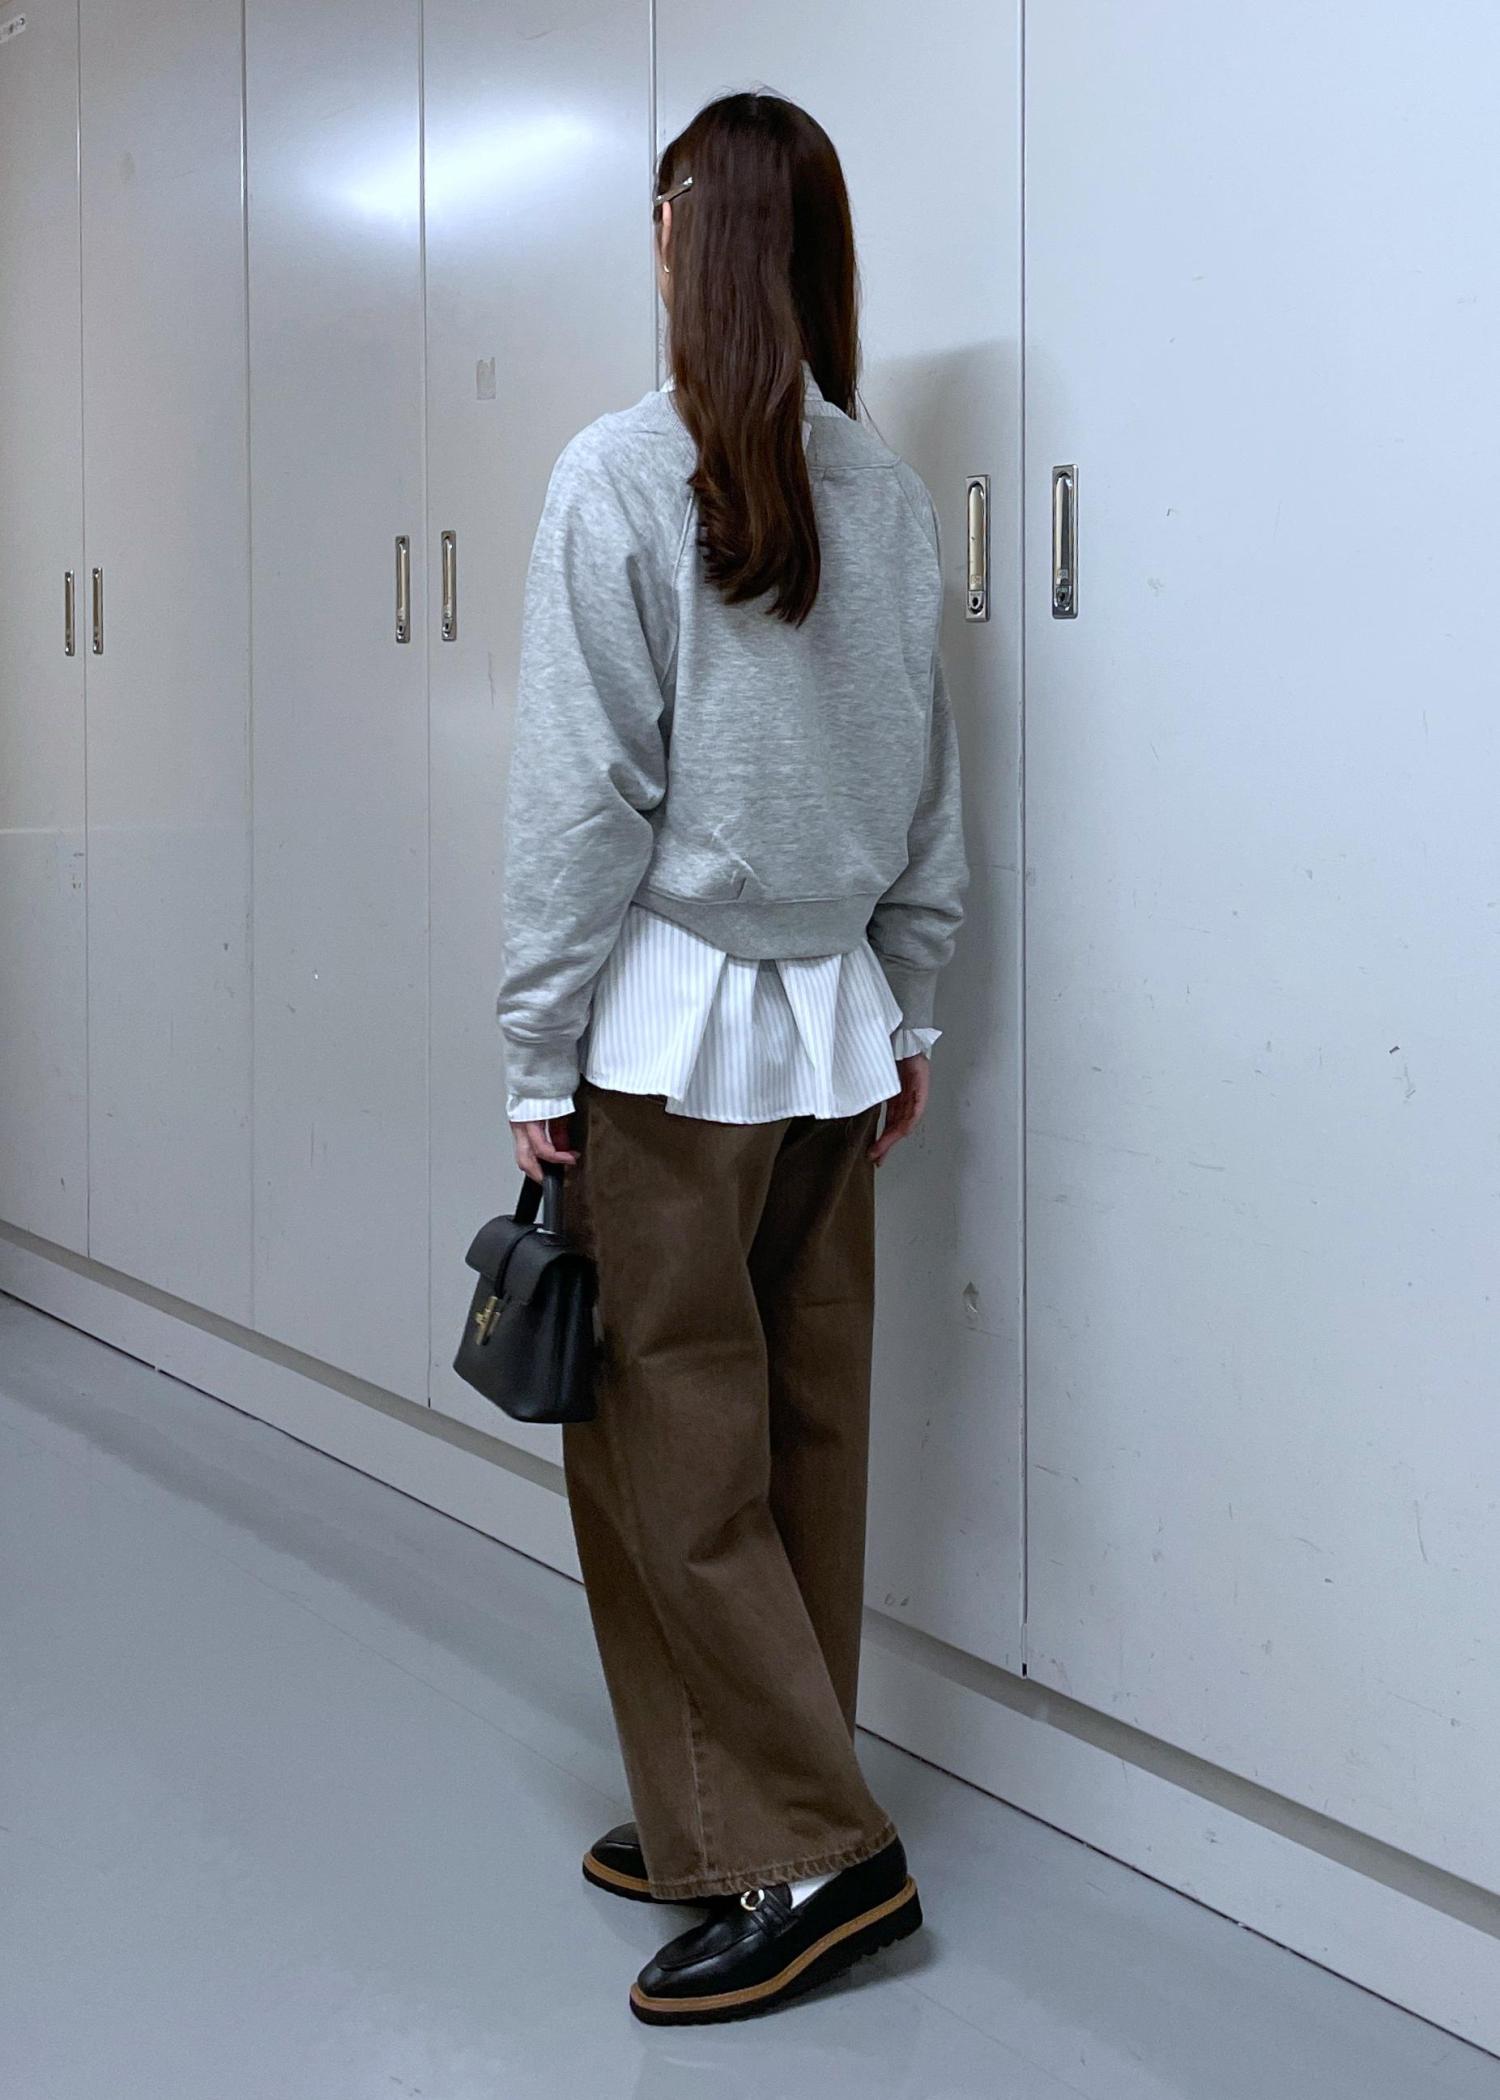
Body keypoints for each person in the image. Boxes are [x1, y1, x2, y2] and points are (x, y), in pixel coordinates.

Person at [496, 89, 967, 2025]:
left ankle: (816, 1852)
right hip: (834, 1034)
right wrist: (908, 997)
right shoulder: (889, 491)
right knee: (801, 1436)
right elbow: (927, 788)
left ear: (686, 239)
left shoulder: (621, 472)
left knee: (667, 1449)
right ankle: (736, 1808)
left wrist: (535, 1046)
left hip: (674, 1044)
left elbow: (581, 801)